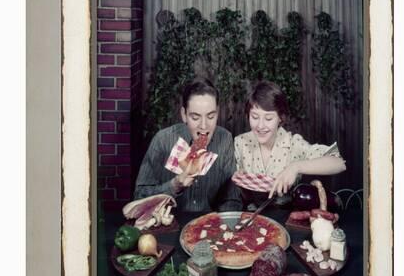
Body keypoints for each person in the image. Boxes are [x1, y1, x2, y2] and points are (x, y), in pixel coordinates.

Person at [135, 78, 242, 212]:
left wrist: (220, 225)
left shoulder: (225, 139)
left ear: (218, 112)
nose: (204, 126)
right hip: (169, 224)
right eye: (195, 117)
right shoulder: (162, 141)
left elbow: (231, 199)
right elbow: (139, 197)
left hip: (209, 226)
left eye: (210, 116)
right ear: (184, 115)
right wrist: (174, 185)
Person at [234, 80, 346, 198]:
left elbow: (338, 163)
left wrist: (296, 167)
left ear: (280, 118)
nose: (260, 125)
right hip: (249, 214)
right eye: (255, 117)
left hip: (286, 214)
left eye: (268, 118)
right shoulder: (240, 142)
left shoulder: (293, 144)